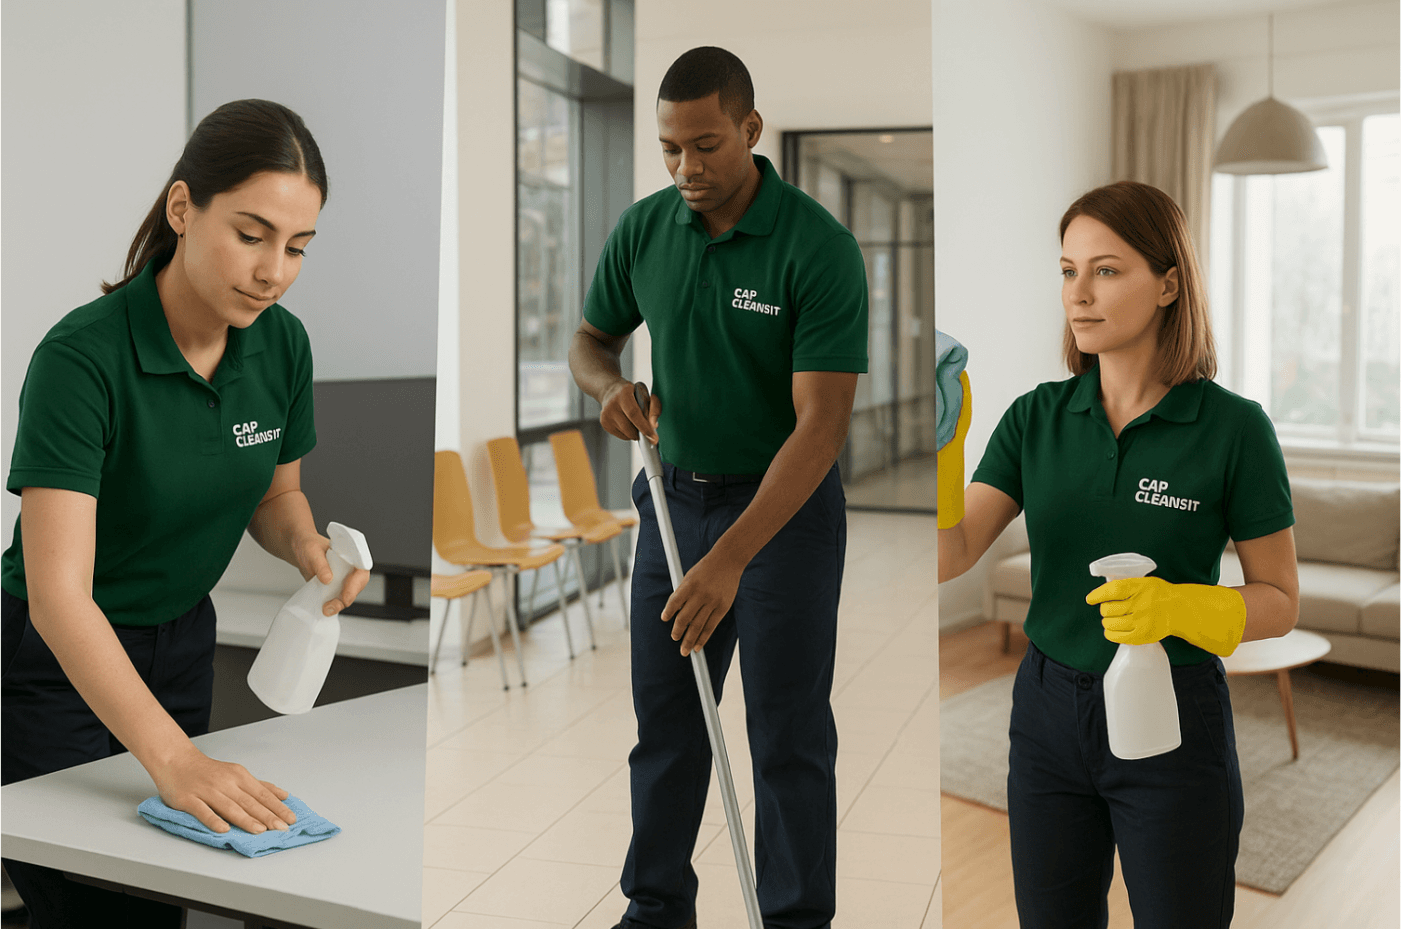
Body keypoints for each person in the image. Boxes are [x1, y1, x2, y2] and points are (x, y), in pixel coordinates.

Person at [1, 99, 368, 929]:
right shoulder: (80, 358)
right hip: (51, 661)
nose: (275, 269)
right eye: (251, 233)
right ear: (181, 210)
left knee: (161, 899)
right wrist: (173, 757)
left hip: (179, 646)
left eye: (298, 246)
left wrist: (306, 546)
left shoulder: (283, 346)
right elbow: (61, 596)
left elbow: (275, 496)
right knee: (92, 909)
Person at [938, 180, 1300, 929]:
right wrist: (940, 452)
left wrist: (1177, 604)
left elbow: (1278, 600)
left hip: (1172, 713)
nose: (1079, 292)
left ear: (1169, 283)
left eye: (1105, 269)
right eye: (1068, 270)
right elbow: (952, 552)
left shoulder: (1232, 429)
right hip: (1044, 714)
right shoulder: (1035, 416)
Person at [568, 46, 869, 929]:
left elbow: (820, 427)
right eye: (669, 148)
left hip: (783, 517)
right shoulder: (644, 229)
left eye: (705, 145)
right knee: (666, 725)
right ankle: (655, 907)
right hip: (672, 504)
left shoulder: (818, 248)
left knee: (787, 739)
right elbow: (591, 342)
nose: (686, 168)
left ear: (749, 128)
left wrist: (731, 559)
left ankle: (795, 918)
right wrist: (608, 389)